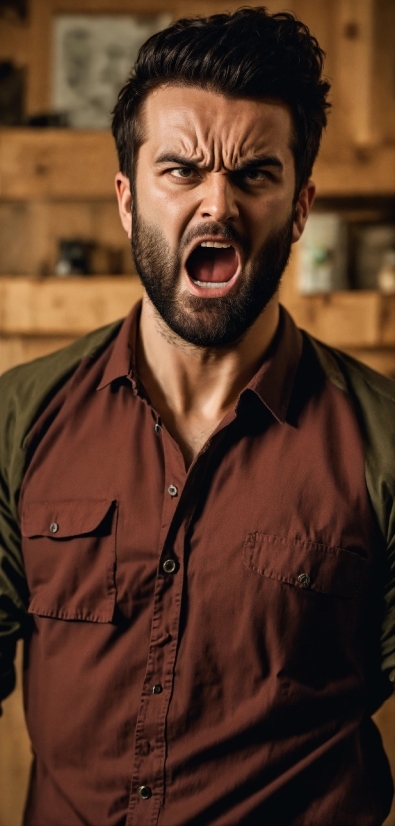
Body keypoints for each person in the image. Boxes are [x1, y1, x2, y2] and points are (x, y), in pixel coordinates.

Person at [0, 7, 394, 825]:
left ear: (297, 206)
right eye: (180, 170)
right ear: (126, 200)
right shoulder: (18, 421)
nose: (216, 205)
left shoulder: (380, 442)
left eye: (253, 174)